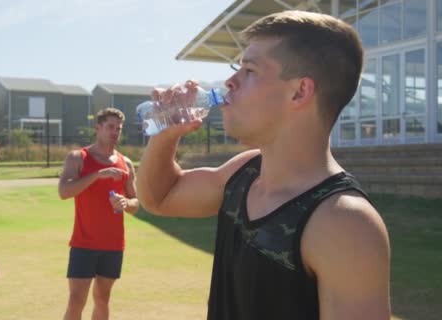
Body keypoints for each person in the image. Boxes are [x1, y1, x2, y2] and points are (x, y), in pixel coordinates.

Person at [137, 10, 390, 320]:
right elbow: (158, 197)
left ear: (299, 91)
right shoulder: (245, 172)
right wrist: (165, 134)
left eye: (249, 70)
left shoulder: (345, 223)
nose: (230, 82)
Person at [58, 107, 139, 320]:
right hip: (83, 243)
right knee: (77, 299)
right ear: (98, 128)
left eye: (118, 129)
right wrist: (97, 175)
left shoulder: (126, 163)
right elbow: (64, 192)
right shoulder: (78, 157)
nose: (115, 132)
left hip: (113, 244)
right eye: (110, 127)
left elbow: (136, 203)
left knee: (103, 298)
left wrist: (125, 202)